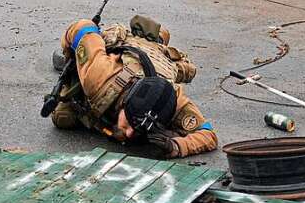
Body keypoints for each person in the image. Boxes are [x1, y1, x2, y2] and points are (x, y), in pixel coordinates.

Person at [50, 14, 217, 158]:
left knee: (181, 65)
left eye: (138, 128)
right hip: (123, 53)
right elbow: (82, 28)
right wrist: (71, 61)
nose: (129, 133)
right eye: (130, 122)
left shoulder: (172, 100)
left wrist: (176, 146)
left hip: (160, 59)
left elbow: (208, 134)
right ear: (124, 104)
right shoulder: (100, 76)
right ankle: (152, 37)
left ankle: (157, 39)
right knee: (62, 117)